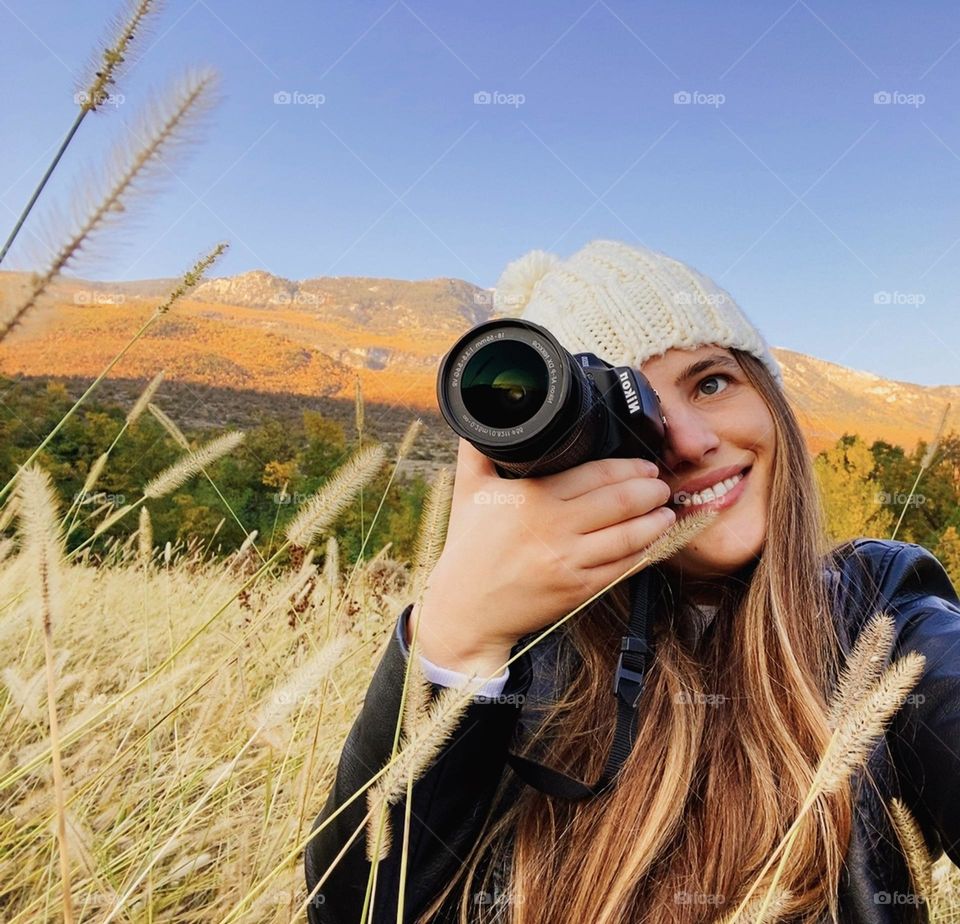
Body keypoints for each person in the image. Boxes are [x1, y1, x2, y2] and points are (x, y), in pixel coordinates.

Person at [304, 240, 960, 924]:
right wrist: (455, 639)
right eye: (632, 418)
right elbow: (359, 908)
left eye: (711, 382)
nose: (687, 440)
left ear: (773, 404)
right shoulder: (518, 664)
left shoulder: (877, 610)